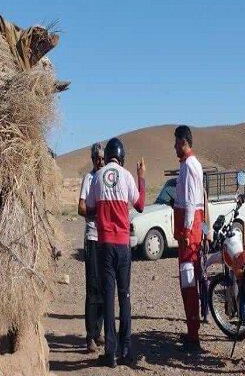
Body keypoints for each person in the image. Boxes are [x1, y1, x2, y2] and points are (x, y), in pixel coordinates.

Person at [86, 137, 146, 368]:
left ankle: (110, 354)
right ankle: (126, 348)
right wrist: (141, 176)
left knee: (108, 297)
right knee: (125, 296)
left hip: (104, 246)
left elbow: (90, 206)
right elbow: (140, 205)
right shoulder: (127, 176)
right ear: (121, 157)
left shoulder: (98, 176)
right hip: (122, 246)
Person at [173, 125, 204, 352]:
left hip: (189, 234)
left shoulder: (191, 166)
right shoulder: (186, 165)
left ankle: (193, 334)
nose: (174, 146)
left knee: (189, 280)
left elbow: (193, 201)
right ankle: (191, 328)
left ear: (184, 142)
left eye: (176, 142)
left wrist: (186, 230)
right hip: (190, 231)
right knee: (188, 281)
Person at [77, 143, 105, 353]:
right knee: (92, 287)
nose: (100, 161)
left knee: (106, 286)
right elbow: (81, 208)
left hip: (107, 239)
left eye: (102, 158)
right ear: (92, 159)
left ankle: (99, 330)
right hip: (93, 236)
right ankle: (89, 336)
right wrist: (99, 211)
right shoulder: (89, 179)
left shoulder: (107, 177)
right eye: (96, 158)